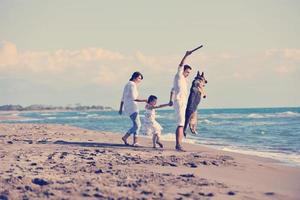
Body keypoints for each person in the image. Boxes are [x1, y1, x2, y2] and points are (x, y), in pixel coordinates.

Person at [169, 51, 193, 151]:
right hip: (179, 102)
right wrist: (186, 55)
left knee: (182, 123)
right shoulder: (179, 75)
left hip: (182, 103)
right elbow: (180, 65)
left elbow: (172, 90)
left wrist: (170, 100)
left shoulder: (182, 80)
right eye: (187, 72)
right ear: (183, 70)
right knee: (180, 124)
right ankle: (178, 145)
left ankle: (179, 144)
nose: (188, 74)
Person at [119, 72, 147, 147]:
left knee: (136, 124)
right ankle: (125, 137)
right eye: (139, 78)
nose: (140, 80)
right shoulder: (132, 85)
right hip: (132, 107)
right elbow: (134, 98)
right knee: (138, 125)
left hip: (128, 107)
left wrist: (121, 108)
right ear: (135, 77)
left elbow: (122, 97)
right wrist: (145, 100)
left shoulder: (127, 84)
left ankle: (135, 142)